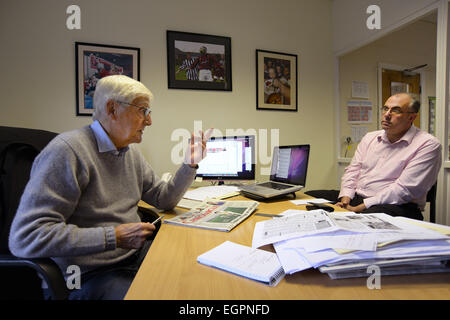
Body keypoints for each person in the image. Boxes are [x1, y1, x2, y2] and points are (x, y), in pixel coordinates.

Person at [9, 75, 212, 299]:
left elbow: (163, 199)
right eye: (142, 110)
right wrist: (112, 237)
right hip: (88, 274)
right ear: (112, 109)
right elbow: (26, 237)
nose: (149, 121)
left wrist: (189, 164)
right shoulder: (67, 152)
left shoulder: (129, 151)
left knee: (197, 278)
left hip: (134, 257)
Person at [306, 93, 441, 220]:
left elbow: (404, 189)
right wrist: (345, 199)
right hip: (357, 198)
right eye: (385, 108)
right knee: (308, 197)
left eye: (396, 110)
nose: (387, 115)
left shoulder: (427, 144)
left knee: (360, 219)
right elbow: (353, 171)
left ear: (411, 117)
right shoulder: (370, 137)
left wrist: (360, 207)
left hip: (397, 205)